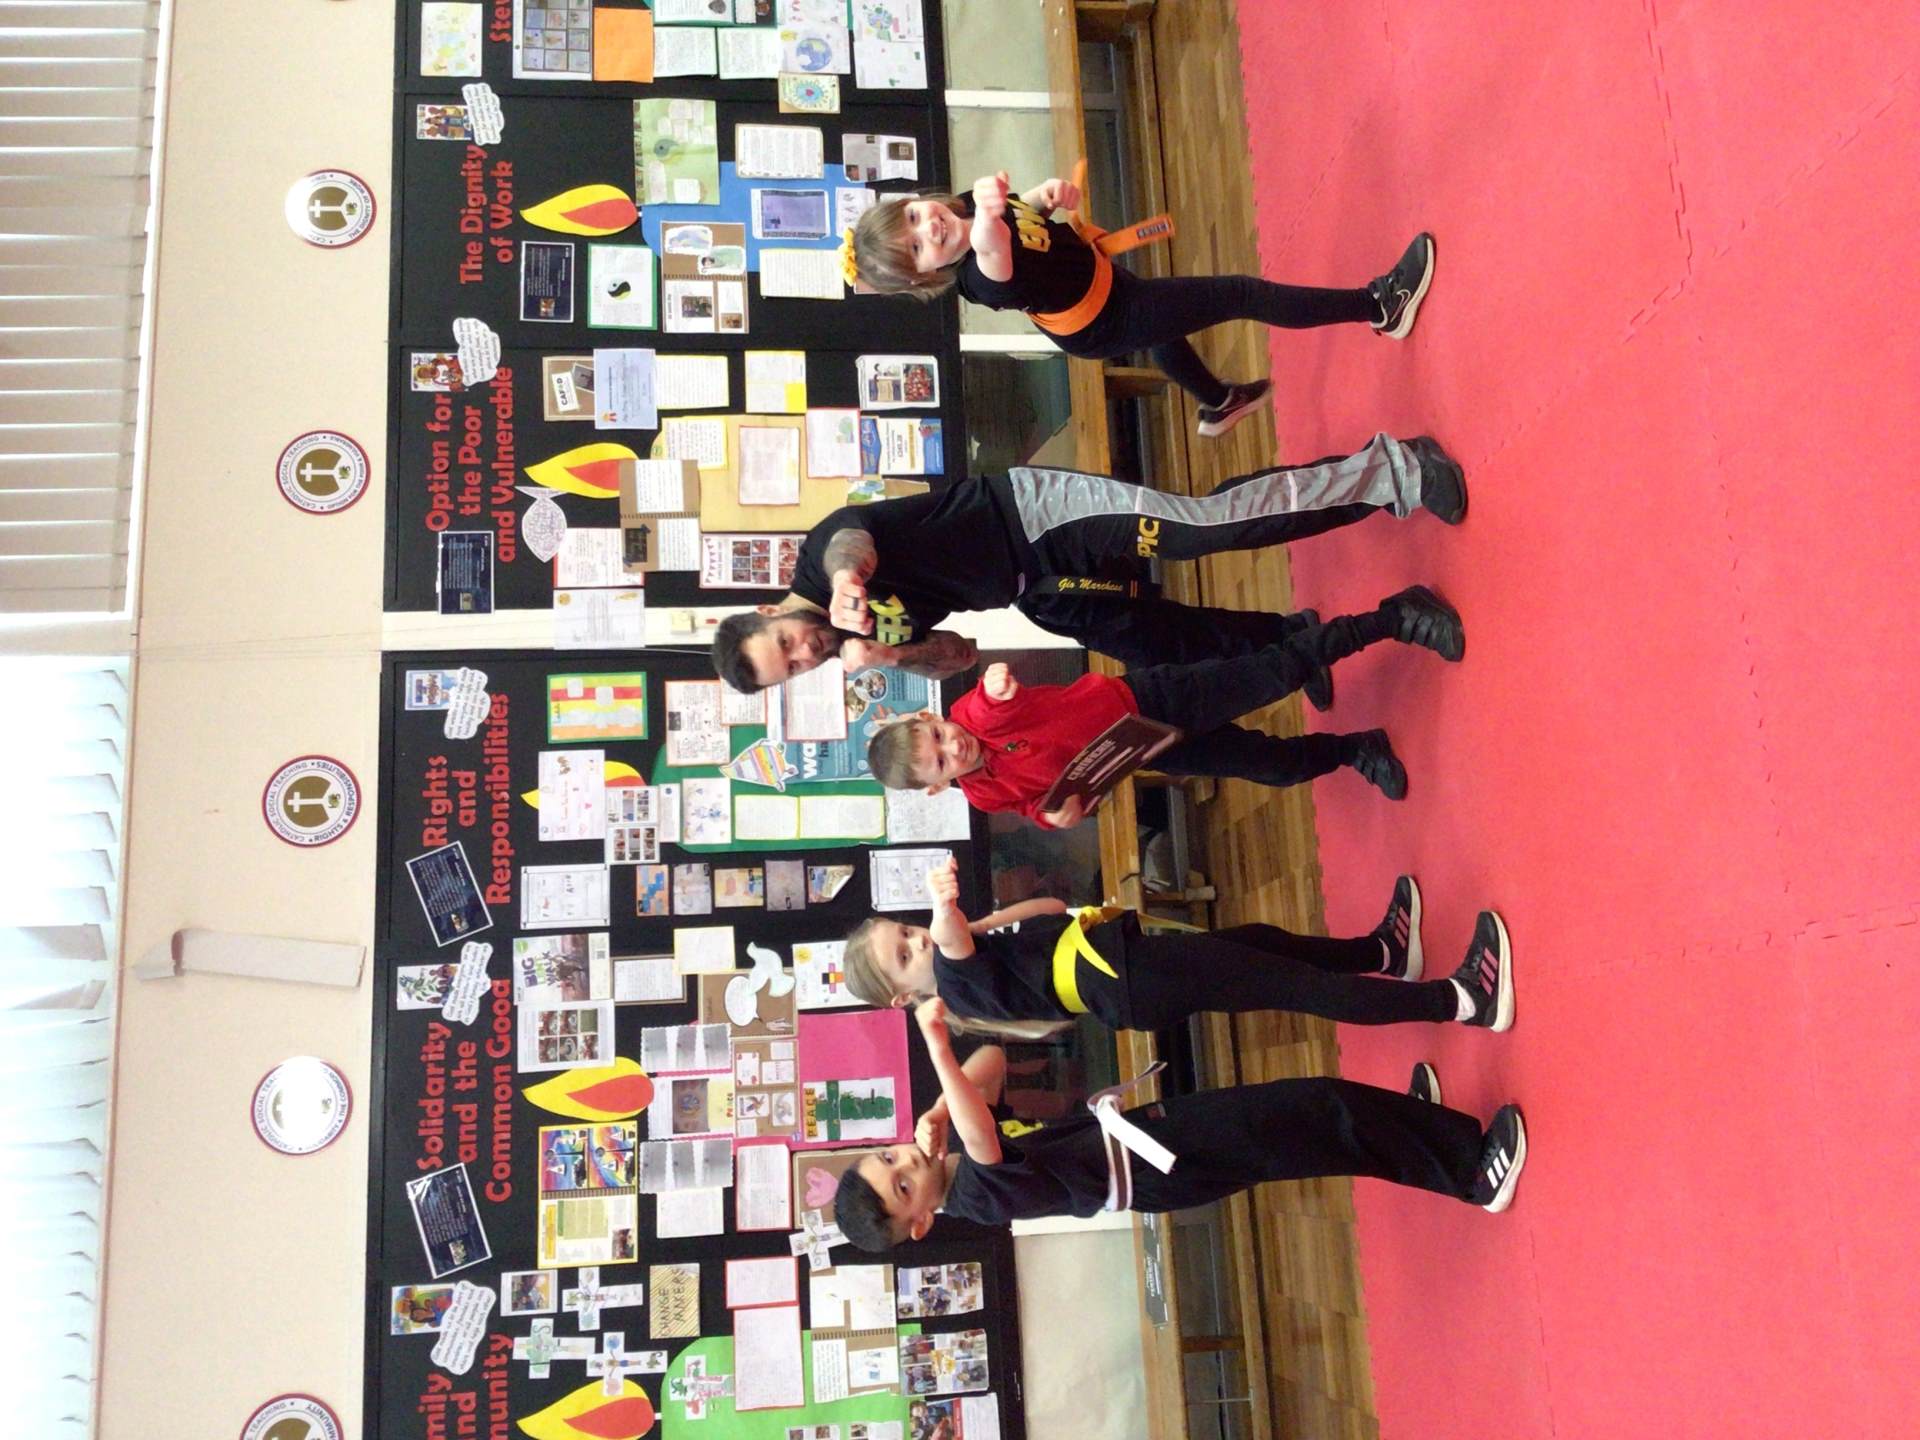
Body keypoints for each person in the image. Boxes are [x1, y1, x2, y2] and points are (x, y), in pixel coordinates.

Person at [710, 439, 1468, 693]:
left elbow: (852, 545)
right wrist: (892, 656)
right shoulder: (852, 647)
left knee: (1205, 527)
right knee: (1152, 639)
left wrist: (849, 580)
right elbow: (959, 652)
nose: (806, 652)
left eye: (787, 644)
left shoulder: (822, 558)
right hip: (1032, 586)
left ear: (770, 613)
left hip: (1034, 513)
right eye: (794, 668)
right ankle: (1294, 636)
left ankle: (1392, 468)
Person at [833, 1001, 1529, 1254]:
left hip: (1156, 1139)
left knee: (1315, 1118)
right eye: (902, 1188)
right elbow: (983, 1132)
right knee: (1319, 1114)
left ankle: (1416, 1127)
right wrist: (937, 1047)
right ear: (920, 1223)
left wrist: (937, 1108)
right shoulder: (977, 1197)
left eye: (890, 1159)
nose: (907, 1165)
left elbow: (990, 1065)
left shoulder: (953, 1153)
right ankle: (1470, 1172)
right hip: (1166, 1164)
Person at [846, 170, 1434, 438]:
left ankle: (1219, 402)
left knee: (1166, 333)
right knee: (1239, 294)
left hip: (1103, 282)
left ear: (917, 200)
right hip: (1103, 319)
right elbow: (995, 247)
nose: (929, 228)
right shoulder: (978, 274)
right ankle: (1379, 305)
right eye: (918, 248)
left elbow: (1025, 217)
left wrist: (1045, 196)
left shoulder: (971, 207)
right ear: (926, 276)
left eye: (915, 217)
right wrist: (989, 214)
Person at [864, 592, 1461, 820]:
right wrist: (1057, 817)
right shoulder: (982, 795)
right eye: (940, 761)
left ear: (931, 717)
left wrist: (995, 687)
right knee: (1272, 766)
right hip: (1147, 750)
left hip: (1150, 699)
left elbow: (995, 709)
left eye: (938, 735)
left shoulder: (974, 716)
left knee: (1279, 671)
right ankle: (1356, 749)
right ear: (939, 786)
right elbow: (1034, 805)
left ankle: (1392, 616)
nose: (952, 746)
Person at [842, 855, 1514, 1033]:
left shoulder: (972, 951)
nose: (917, 941)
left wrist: (977, 923)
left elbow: (1047, 908)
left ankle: (1380, 954)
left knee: (1262, 945)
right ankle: (1457, 1001)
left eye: (906, 931)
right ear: (903, 996)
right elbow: (950, 938)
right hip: (1128, 979)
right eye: (904, 955)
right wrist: (944, 908)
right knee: (1292, 986)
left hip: (1124, 963)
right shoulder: (957, 982)